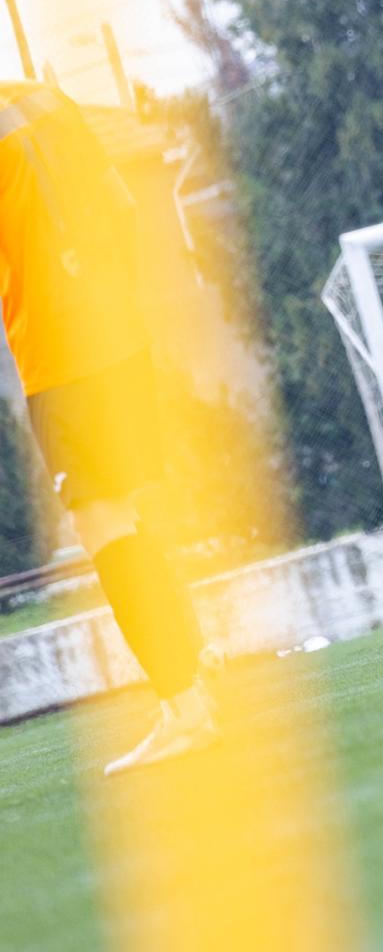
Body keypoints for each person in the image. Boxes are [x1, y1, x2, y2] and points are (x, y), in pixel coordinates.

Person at [0, 79, 217, 774]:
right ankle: (194, 664)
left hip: (58, 360)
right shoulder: (43, 99)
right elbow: (123, 204)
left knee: (105, 526)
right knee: (130, 511)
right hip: (119, 336)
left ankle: (185, 706)